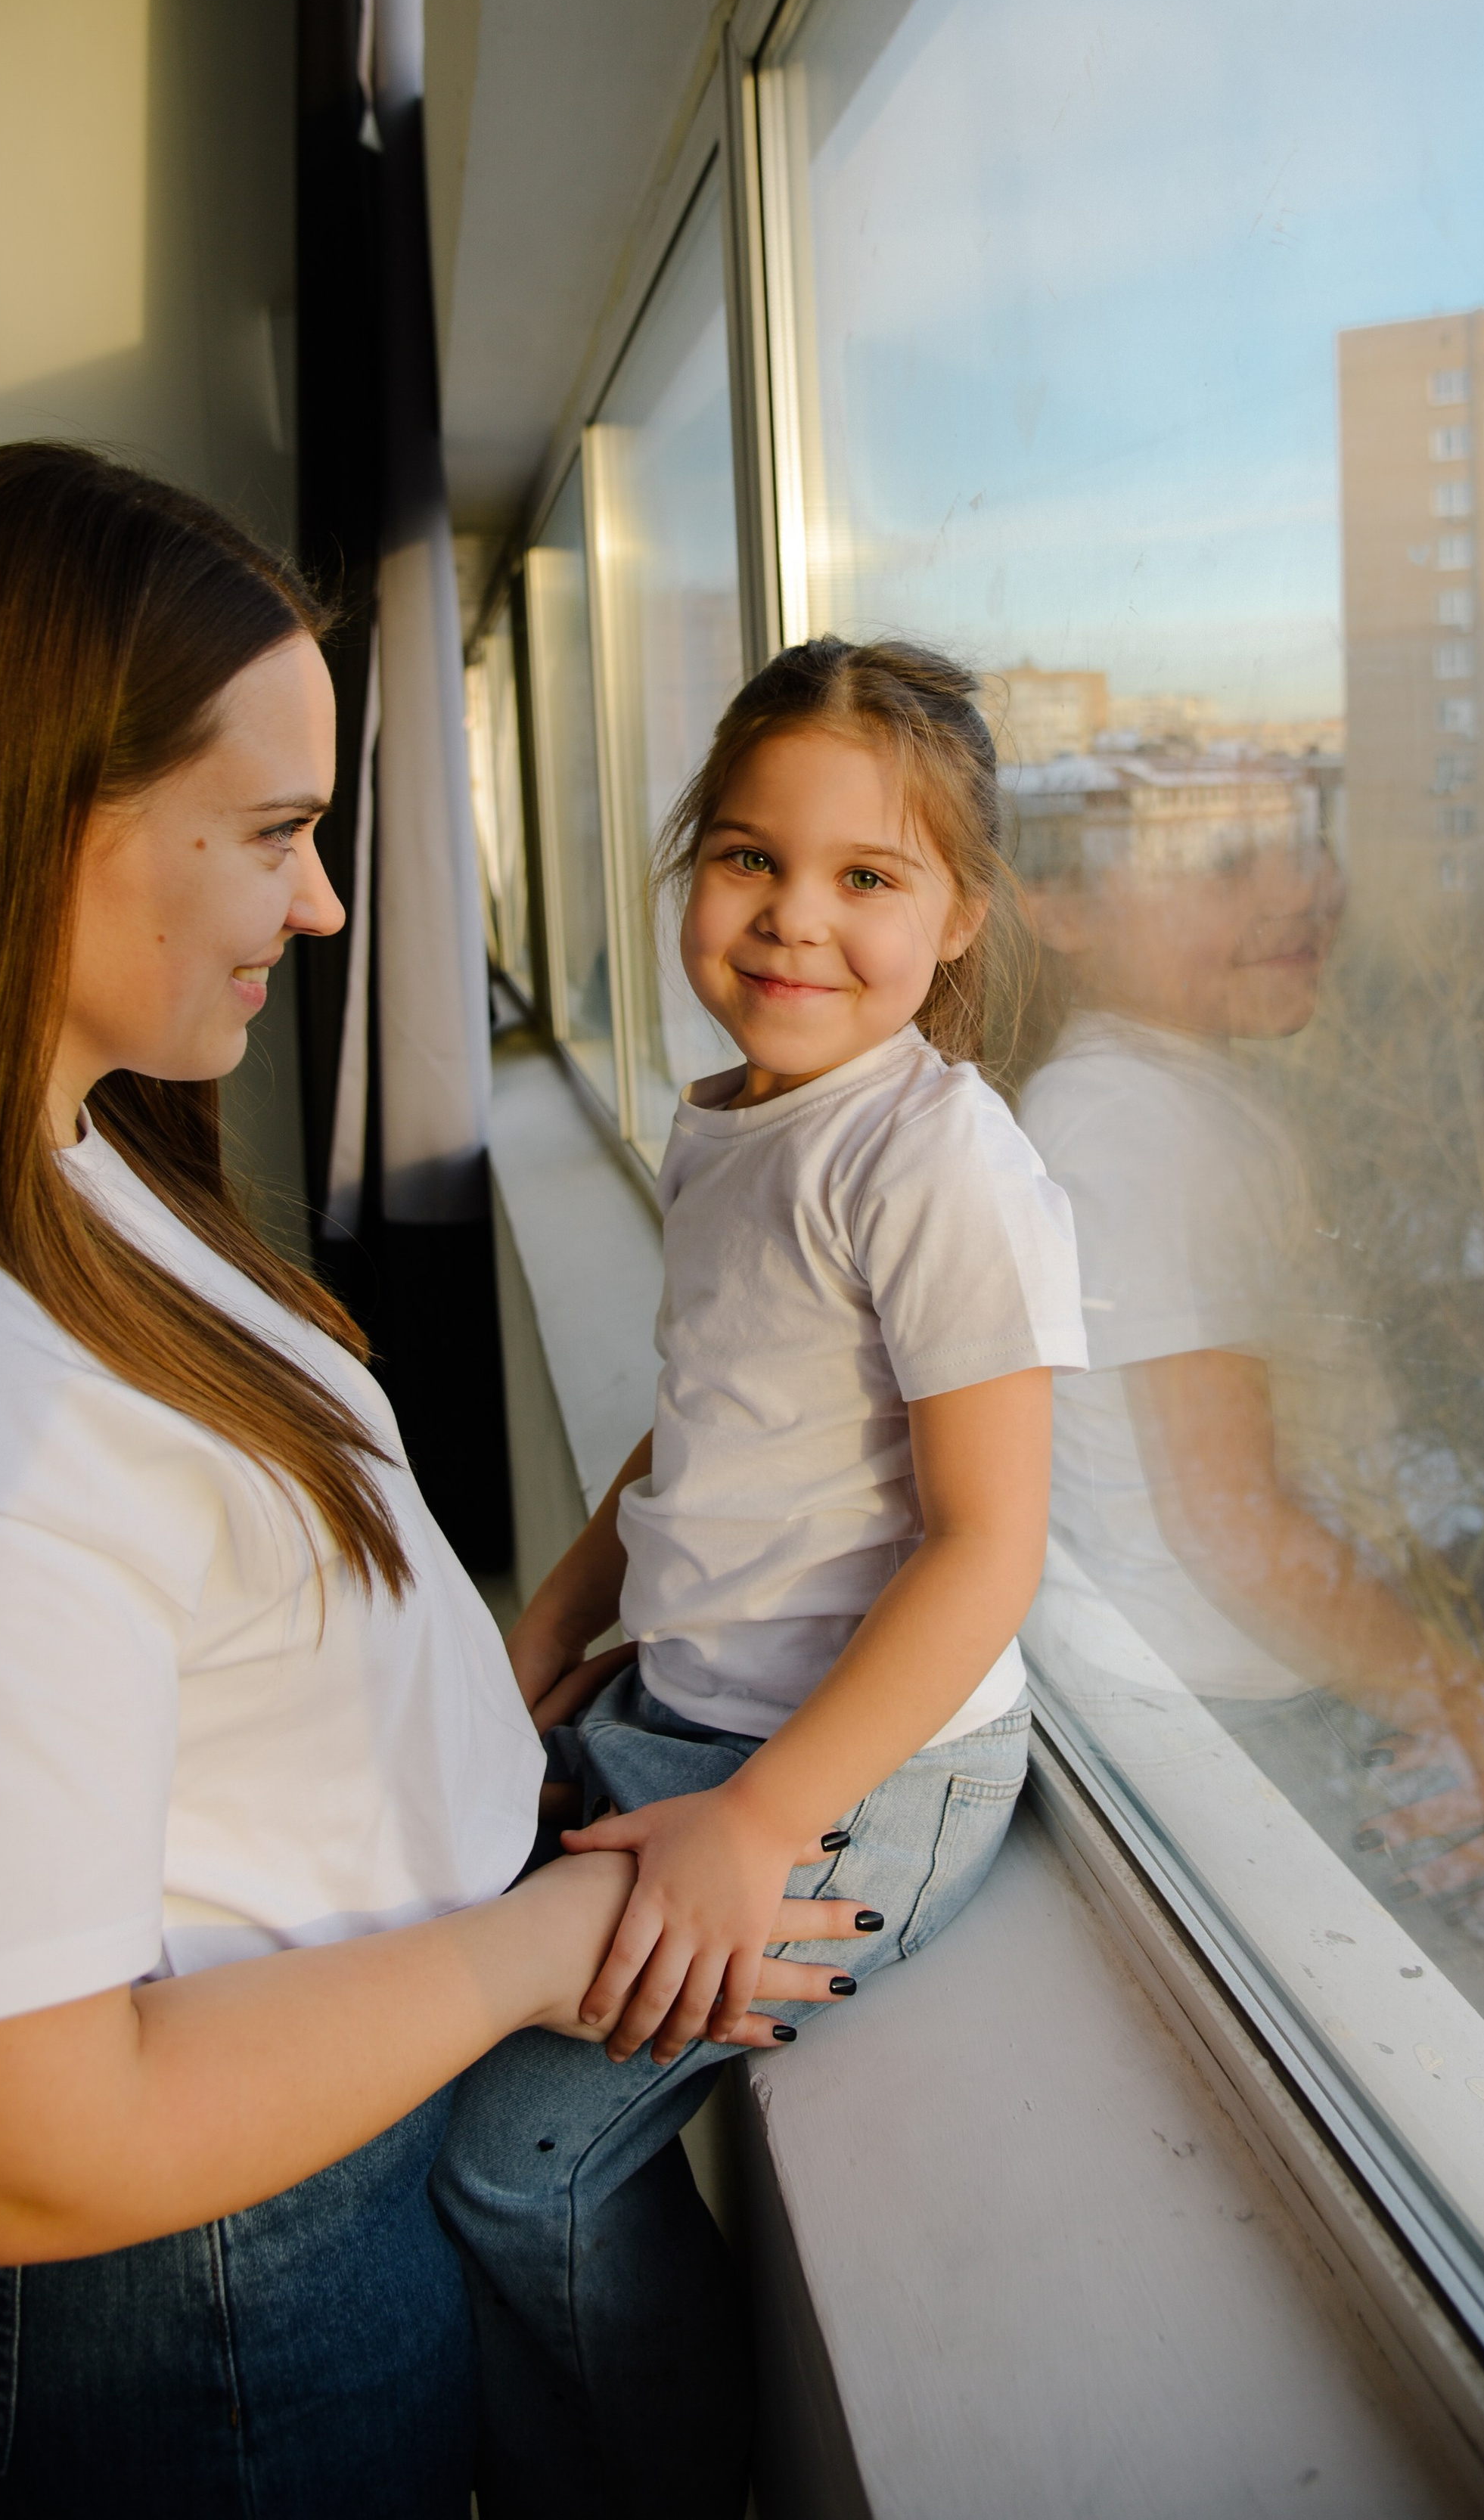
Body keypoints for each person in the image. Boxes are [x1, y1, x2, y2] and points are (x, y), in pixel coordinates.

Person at [0, 445, 866, 2520]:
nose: (321, 905)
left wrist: (512, 1685)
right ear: (40, 814)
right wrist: (549, 1937)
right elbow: (10, 2133)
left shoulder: (68, 1153)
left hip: (294, 2173)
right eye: (275, 835)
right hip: (201, 2287)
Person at [433, 637, 1087, 2518]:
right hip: (683, 1714)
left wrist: (758, 1822)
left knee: (514, 2165)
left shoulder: (933, 1158)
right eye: (746, 859)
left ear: (959, 916)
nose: (793, 920)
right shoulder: (731, 1117)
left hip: (852, 1778)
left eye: (867, 878)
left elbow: (987, 1547)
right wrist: (555, 1621)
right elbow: (707, 1412)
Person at [1014, 775, 1484, 1905]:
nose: (1305, 888)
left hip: (1258, 1686)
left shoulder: (1172, 1092)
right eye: (1226, 865)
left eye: (1307, 847)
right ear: (1061, 909)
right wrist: (1469, 1710)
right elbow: (1233, 1523)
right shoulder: (1135, 1128)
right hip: (1245, 1721)